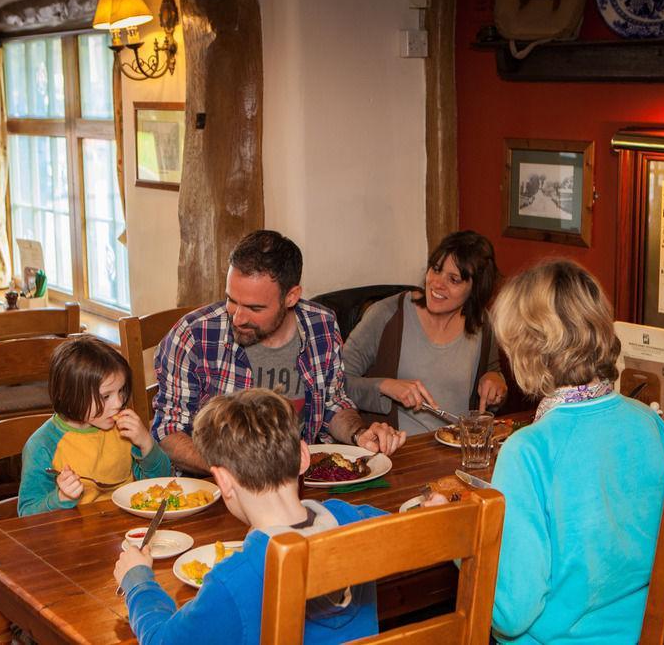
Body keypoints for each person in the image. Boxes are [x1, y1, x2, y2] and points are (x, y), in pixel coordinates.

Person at [473, 259, 664, 643]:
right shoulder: (650, 423)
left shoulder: (527, 451)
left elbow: (511, 614)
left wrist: (465, 541)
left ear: (527, 353)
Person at [114, 388, 387, 645]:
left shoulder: (235, 579)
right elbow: (419, 522)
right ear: (304, 456)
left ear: (223, 480)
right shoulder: (353, 517)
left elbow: (162, 640)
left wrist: (138, 581)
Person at [152, 230, 405, 474]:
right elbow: (169, 431)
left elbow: (332, 403)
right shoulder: (195, 335)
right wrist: (235, 471)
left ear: (291, 296)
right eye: (231, 300)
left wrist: (359, 433)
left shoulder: (322, 325)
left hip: (301, 483)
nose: (238, 318)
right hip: (216, 491)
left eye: (254, 307)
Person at [343, 230, 508, 434]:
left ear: (475, 289)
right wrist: (385, 386)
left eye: (454, 279)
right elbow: (336, 383)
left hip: (459, 450)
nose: (437, 283)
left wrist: (495, 381)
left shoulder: (482, 323)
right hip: (399, 453)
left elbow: (492, 373)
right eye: (435, 269)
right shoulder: (387, 314)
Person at [18, 336, 171, 516]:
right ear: (70, 395)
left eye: (121, 391)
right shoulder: (43, 445)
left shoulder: (123, 429)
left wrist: (147, 444)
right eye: (106, 396)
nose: (119, 402)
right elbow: (27, 514)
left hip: (127, 530)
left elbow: (160, 483)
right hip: (73, 538)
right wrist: (60, 498)